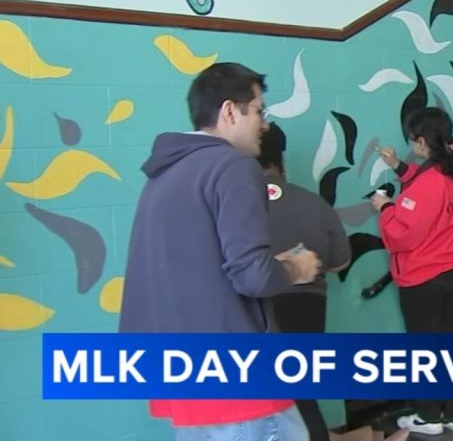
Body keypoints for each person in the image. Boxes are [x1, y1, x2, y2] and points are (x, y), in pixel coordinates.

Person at [119, 62, 321, 441]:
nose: (264, 125)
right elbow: (253, 276)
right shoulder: (232, 166)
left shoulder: (165, 174)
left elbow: (196, 267)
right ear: (231, 110)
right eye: (260, 111)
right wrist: (297, 267)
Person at [369, 107, 453, 436]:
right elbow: (430, 193)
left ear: (420, 142)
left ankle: (430, 417)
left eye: (409, 143)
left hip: (425, 278)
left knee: (424, 350)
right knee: (452, 346)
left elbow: (403, 234)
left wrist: (385, 208)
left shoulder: (430, 183)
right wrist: (399, 168)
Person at [258, 122, 352, 441]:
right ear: (281, 159)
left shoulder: (233, 206)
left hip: (256, 310)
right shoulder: (316, 203)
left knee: (260, 403)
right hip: (309, 308)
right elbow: (341, 262)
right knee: (304, 398)